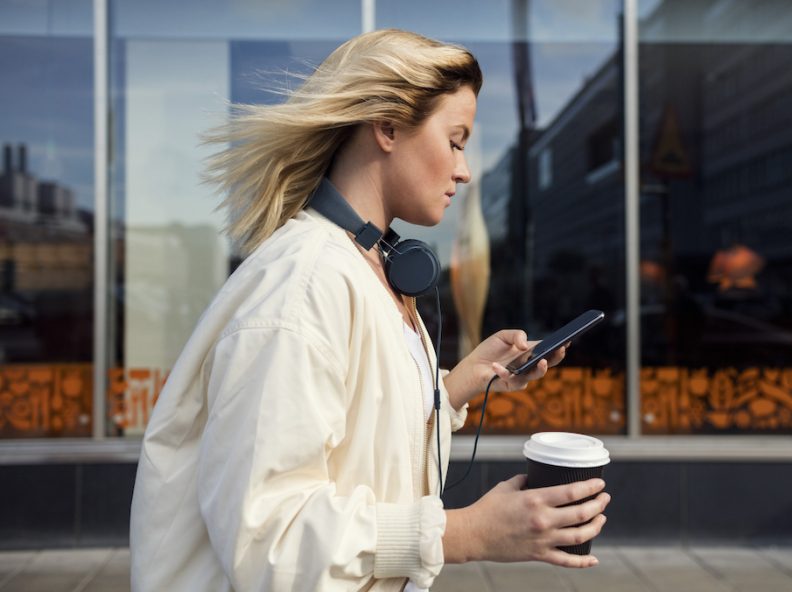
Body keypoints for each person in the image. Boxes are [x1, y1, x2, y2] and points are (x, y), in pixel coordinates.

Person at [129, 29, 610, 592]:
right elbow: (268, 540)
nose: (464, 171)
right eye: (455, 141)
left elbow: (359, 439)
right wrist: (463, 534)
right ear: (387, 127)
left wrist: (454, 389)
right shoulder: (302, 286)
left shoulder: (367, 265)